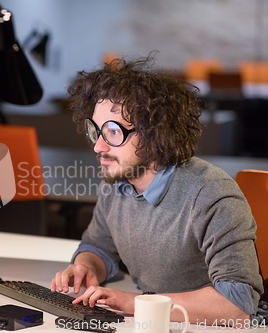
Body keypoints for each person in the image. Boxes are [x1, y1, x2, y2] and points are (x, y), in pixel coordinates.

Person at [51, 55, 265, 326]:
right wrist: (87, 267)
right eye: (96, 131)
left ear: (154, 134)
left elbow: (238, 304)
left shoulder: (211, 194)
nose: (98, 147)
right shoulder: (118, 183)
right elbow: (98, 246)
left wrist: (133, 303)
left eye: (113, 132)